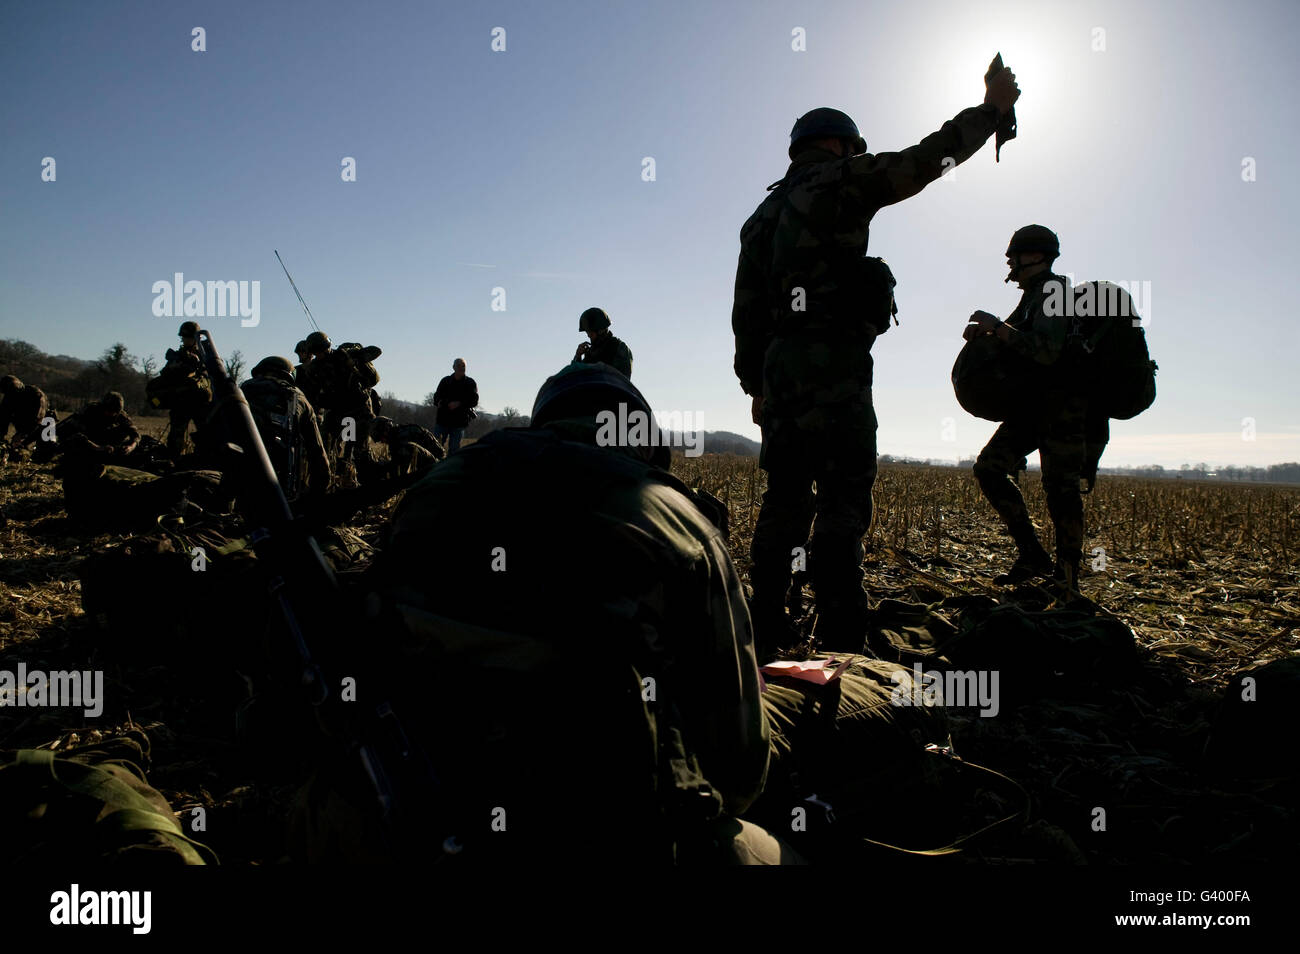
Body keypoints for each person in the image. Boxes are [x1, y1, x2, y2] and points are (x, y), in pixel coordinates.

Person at [321, 363, 781, 864]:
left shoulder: (434, 487)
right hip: (601, 833)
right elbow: (737, 777)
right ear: (642, 439)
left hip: (409, 808)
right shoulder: (679, 524)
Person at [731, 60, 1020, 651]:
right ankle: (840, 638)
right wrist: (990, 112)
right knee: (842, 495)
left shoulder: (759, 219)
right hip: (834, 363)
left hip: (780, 371)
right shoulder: (843, 180)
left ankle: (764, 625)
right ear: (837, 145)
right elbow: (926, 159)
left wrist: (756, 386)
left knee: (784, 498)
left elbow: (745, 313)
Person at [966, 225, 1107, 592]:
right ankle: (1031, 555)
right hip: (1033, 405)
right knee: (990, 468)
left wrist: (997, 327)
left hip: (1064, 407)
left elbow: (1045, 351)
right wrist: (989, 336)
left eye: (1016, 254)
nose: (1010, 262)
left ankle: (1067, 577)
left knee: (1060, 489)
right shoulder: (1032, 295)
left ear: (1037, 256)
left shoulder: (1054, 291)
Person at [240, 356, 331, 501]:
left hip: (235, 472)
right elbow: (316, 450)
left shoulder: (241, 390)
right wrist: (320, 490)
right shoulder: (297, 396)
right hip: (277, 481)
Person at [160, 321, 212, 457]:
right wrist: (173, 368)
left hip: (200, 401)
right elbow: (165, 375)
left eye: (188, 337)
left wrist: (198, 366)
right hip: (181, 401)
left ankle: (203, 462)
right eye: (184, 337)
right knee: (176, 438)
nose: (185, 340)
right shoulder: (179, 355)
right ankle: (175, 462)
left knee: (206, 435)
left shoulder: (206, 355)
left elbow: (211, 375)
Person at [58, 392, 141, 464]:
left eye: (115, 412)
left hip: (107, 447)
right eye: (109, 411)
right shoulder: (90, 410)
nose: (111, 414)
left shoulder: (121, 416)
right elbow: (73, 433)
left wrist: (130, 447)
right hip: (88, 444)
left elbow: (135, 434)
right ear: (103, 407)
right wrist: (98, 448)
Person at [369, 416, 444, 478]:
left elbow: (400, 467)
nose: (382, 442)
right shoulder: (395, 439)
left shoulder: (405, 434)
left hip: (435, 468)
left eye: (381, 438)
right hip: (429, 467)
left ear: (385, 431)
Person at [431, 358, 478, 454]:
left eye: (463, 366)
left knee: (454, 451)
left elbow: (474, 400)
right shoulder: (445, 381)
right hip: (442, 421)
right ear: (453, 367)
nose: (462, 368)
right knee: (435, 449)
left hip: (459, 423)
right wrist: (440, 402)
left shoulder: (470, 383)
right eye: (459, 366)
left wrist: (459, 403)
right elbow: (436, 397)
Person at [574, 307, 633, 378]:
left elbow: (622, 380)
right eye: (587, 333)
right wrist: (578, 357)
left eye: (591, 333)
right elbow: (575, 378)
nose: (589, 336)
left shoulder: (618, 348)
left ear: (601, 331)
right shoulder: (591, 352)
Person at [0, 375, 49, 448]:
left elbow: (37, 418)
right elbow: (4, 417)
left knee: (44, 448)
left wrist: (21, 434)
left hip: (43, 421)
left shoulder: (36, 395)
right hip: (23, 420)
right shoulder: (9, 396)